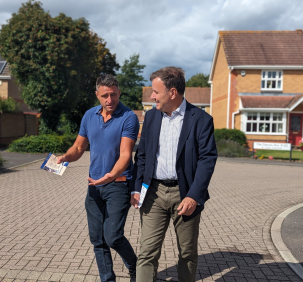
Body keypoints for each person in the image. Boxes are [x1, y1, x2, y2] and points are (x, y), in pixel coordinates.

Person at [131, 66, 217, 282]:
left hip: (185, 194)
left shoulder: (200, 120)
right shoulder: (151, 118)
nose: (151, 96)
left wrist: (194, 196)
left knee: (187, 254)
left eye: (155, 91)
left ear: (172, 92)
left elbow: (207, 160)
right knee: (146, 253)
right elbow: (141, 156)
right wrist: (136, 188)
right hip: (153, 194)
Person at [57, 74, 139, 282]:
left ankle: (136, 268)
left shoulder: (128, 117)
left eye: (113, 95)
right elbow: (78, 147)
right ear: (97, 95)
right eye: (105, 96)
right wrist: (65, 157)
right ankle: (107, 279)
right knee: (97, 239)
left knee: (113, 236)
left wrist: (111, 175)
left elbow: (125, 154)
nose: (109, 100)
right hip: (94, 187)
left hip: (118, 185)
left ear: (119, 92)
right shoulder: (89, 116)